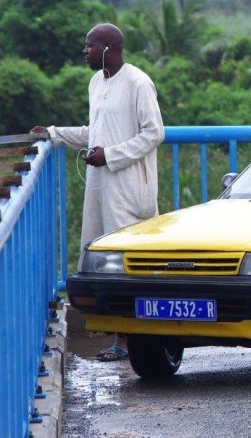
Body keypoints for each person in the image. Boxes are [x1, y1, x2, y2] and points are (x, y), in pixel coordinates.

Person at [30, 23, 164, 362]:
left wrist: (112, 155)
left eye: (89, 45)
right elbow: (97, 131)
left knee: (125, 262)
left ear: (109, 46)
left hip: (129, 187)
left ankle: (131, 340)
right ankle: (119, 334)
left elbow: (154, 133)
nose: (84, 51)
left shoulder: (137, 82)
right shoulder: (96, 82)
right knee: (102, 258)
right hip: (101, 186)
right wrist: (53, 133)